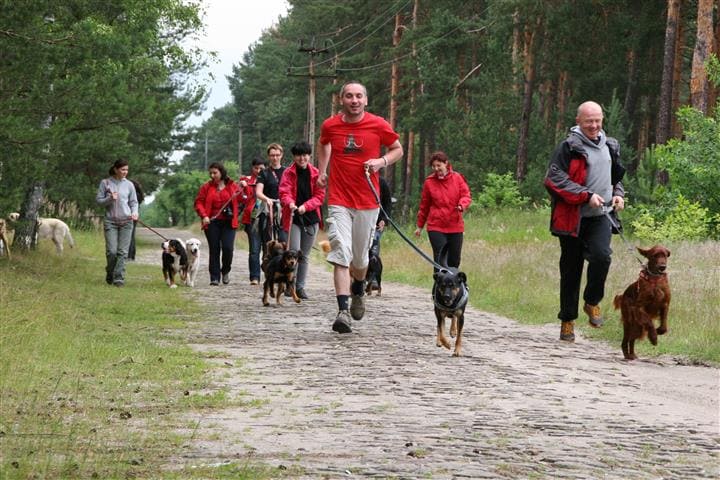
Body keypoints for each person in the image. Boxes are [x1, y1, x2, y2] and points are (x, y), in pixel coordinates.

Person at [317, 80, 403, 334]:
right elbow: (323, 143)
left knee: (360, 259)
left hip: (368, 201)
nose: (354, 100)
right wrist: (323, 171)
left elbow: (398, 149)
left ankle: (358, 288)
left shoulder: (378, 124)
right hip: (339, 200)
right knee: (340, 251)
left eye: (358, 96)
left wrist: (381, 161)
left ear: (365, 100)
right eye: (349, 96)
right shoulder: (331, 125)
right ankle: (342, 311)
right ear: (341, 100)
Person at [544, 100, 626, 342]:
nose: (594, 125)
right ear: (578, 121)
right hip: (572, 218)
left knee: (602, 257)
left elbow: (614, 177)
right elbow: (554, 179)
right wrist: (586, 195)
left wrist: (618, 194)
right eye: (589, 120)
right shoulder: (568, 147)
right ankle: (567, 321)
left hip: (602, 216)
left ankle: (592, 301)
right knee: (571, 271)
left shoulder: (610, 145)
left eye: (598, 120)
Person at [278, 140, 326, 300]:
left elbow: (320, 196)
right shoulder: (288, 173)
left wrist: (306, 206)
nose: (302, 158)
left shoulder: (316, 173)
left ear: (309, 156)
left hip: (310, 218)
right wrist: (290, 203)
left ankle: (300, 287)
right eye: (298, 156)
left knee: (304, 255)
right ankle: (289, 285)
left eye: (304, 155)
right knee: (293, 252)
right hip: (293, 218)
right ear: (294, 157)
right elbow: (284, 191)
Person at [414, 151, 472, 273]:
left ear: (446, 164)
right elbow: (424, 205)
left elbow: (466, 195)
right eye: (434, 166)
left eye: (439, 165)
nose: (436, 168)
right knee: (440, 257)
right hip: (436, 226)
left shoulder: (457, 178)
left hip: (455, 225)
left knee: (454, 260)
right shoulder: (429, 182)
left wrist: (462, 205)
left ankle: (453, 288)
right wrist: (419, 226)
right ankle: (438, 289)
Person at [194, 162, 241, 286]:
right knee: (214, 249)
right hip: (211, 222)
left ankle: (225, 270)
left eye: (215, 173)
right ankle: (214, 277)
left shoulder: (232, 186)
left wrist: (245, 187)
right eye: (211, 173)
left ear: (221, 172)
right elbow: (198, 202)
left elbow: (243, 198)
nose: (212, 175)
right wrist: (204, 215)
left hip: (228, 222)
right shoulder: (206, 187)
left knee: (228, 248)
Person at [96, 159, 138, 287]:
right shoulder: (105, 183)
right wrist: (109, 198)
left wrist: (135, 212)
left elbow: (133, 202)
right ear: (115, 169)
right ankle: (110, 272)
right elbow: (98, 201)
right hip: (110, 222)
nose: (125, 172)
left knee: (122, 252)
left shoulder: (129, 185)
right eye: (122, 169)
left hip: (127, 221)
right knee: (112, 251)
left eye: (126, 170)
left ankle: (119, 278)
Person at [256, 143, 288, 254]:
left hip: (284, 211)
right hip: (268, 210)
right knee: (268, 244)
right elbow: (258, 192)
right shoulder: (264, 173)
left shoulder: (287, 172)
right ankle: (268, 268)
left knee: (284, 241)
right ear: (268, 156)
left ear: (281, 155)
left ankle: (282, 268)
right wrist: (267, 199)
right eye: (272, 155)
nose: (275, 158)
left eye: (277, 155)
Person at [240, 157, 266, 285]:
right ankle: (254, 277)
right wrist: (244, 187)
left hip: (268, 217)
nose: (258, 170)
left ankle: (269, 273)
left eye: (261, 168)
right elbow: (244, 199)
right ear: (252, 168)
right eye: (256, 168)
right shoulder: (246, 181)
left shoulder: (270, 179)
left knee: (268, 248)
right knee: (254, 249)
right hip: (252, 217)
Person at [127, 178, 145, 261]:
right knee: (131, 235)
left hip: (130, 216)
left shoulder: (134, 195)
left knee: (129, 236)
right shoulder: (139, 195)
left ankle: (129, 255)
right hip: (134, 216)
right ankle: (131, 255)